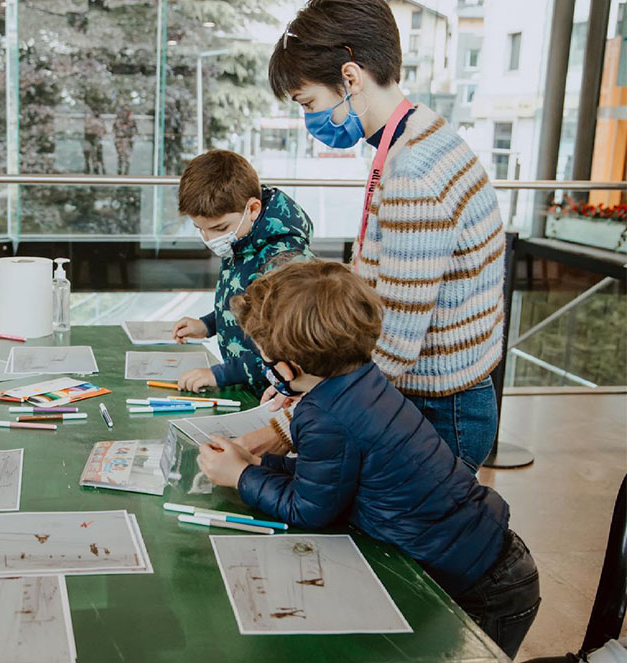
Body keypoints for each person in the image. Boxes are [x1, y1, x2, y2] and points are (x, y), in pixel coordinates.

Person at [197, 260, 540, 659]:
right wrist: (260, 466)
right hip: (491, 559)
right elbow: (329, 477)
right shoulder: (361, 381)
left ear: (289, 368)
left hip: (485, 589)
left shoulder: (323, 415)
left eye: (265, 358)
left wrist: (240, 476)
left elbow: (308, 509)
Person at [265, 0, 505, 471]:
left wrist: (285, 428)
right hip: (439, 397)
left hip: (436, 411)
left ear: (350, 78)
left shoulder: (413, 172)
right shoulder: (419, 136)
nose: (310, 119)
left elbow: (392, 348)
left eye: (309, 102)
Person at [172, 150, 312, 396]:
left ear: (253, 209)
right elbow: (245, 304)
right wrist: (208, 324)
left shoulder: (285, 261)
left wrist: (220, 374)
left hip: (274, 395)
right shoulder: (242, 237)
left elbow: (286, 350)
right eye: (201, 229)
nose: (210, 239)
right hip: (248, 386)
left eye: (219, 228)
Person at [113, 107, 137, 176]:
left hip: (127, 140)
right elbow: (115, 130)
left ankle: (126, 172)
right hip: (120, 140)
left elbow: (134, 130)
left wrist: (131, 137)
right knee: (120, 156)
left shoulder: (131, 121)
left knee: (127, 157)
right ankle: (120, 170)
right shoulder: (118, 120)